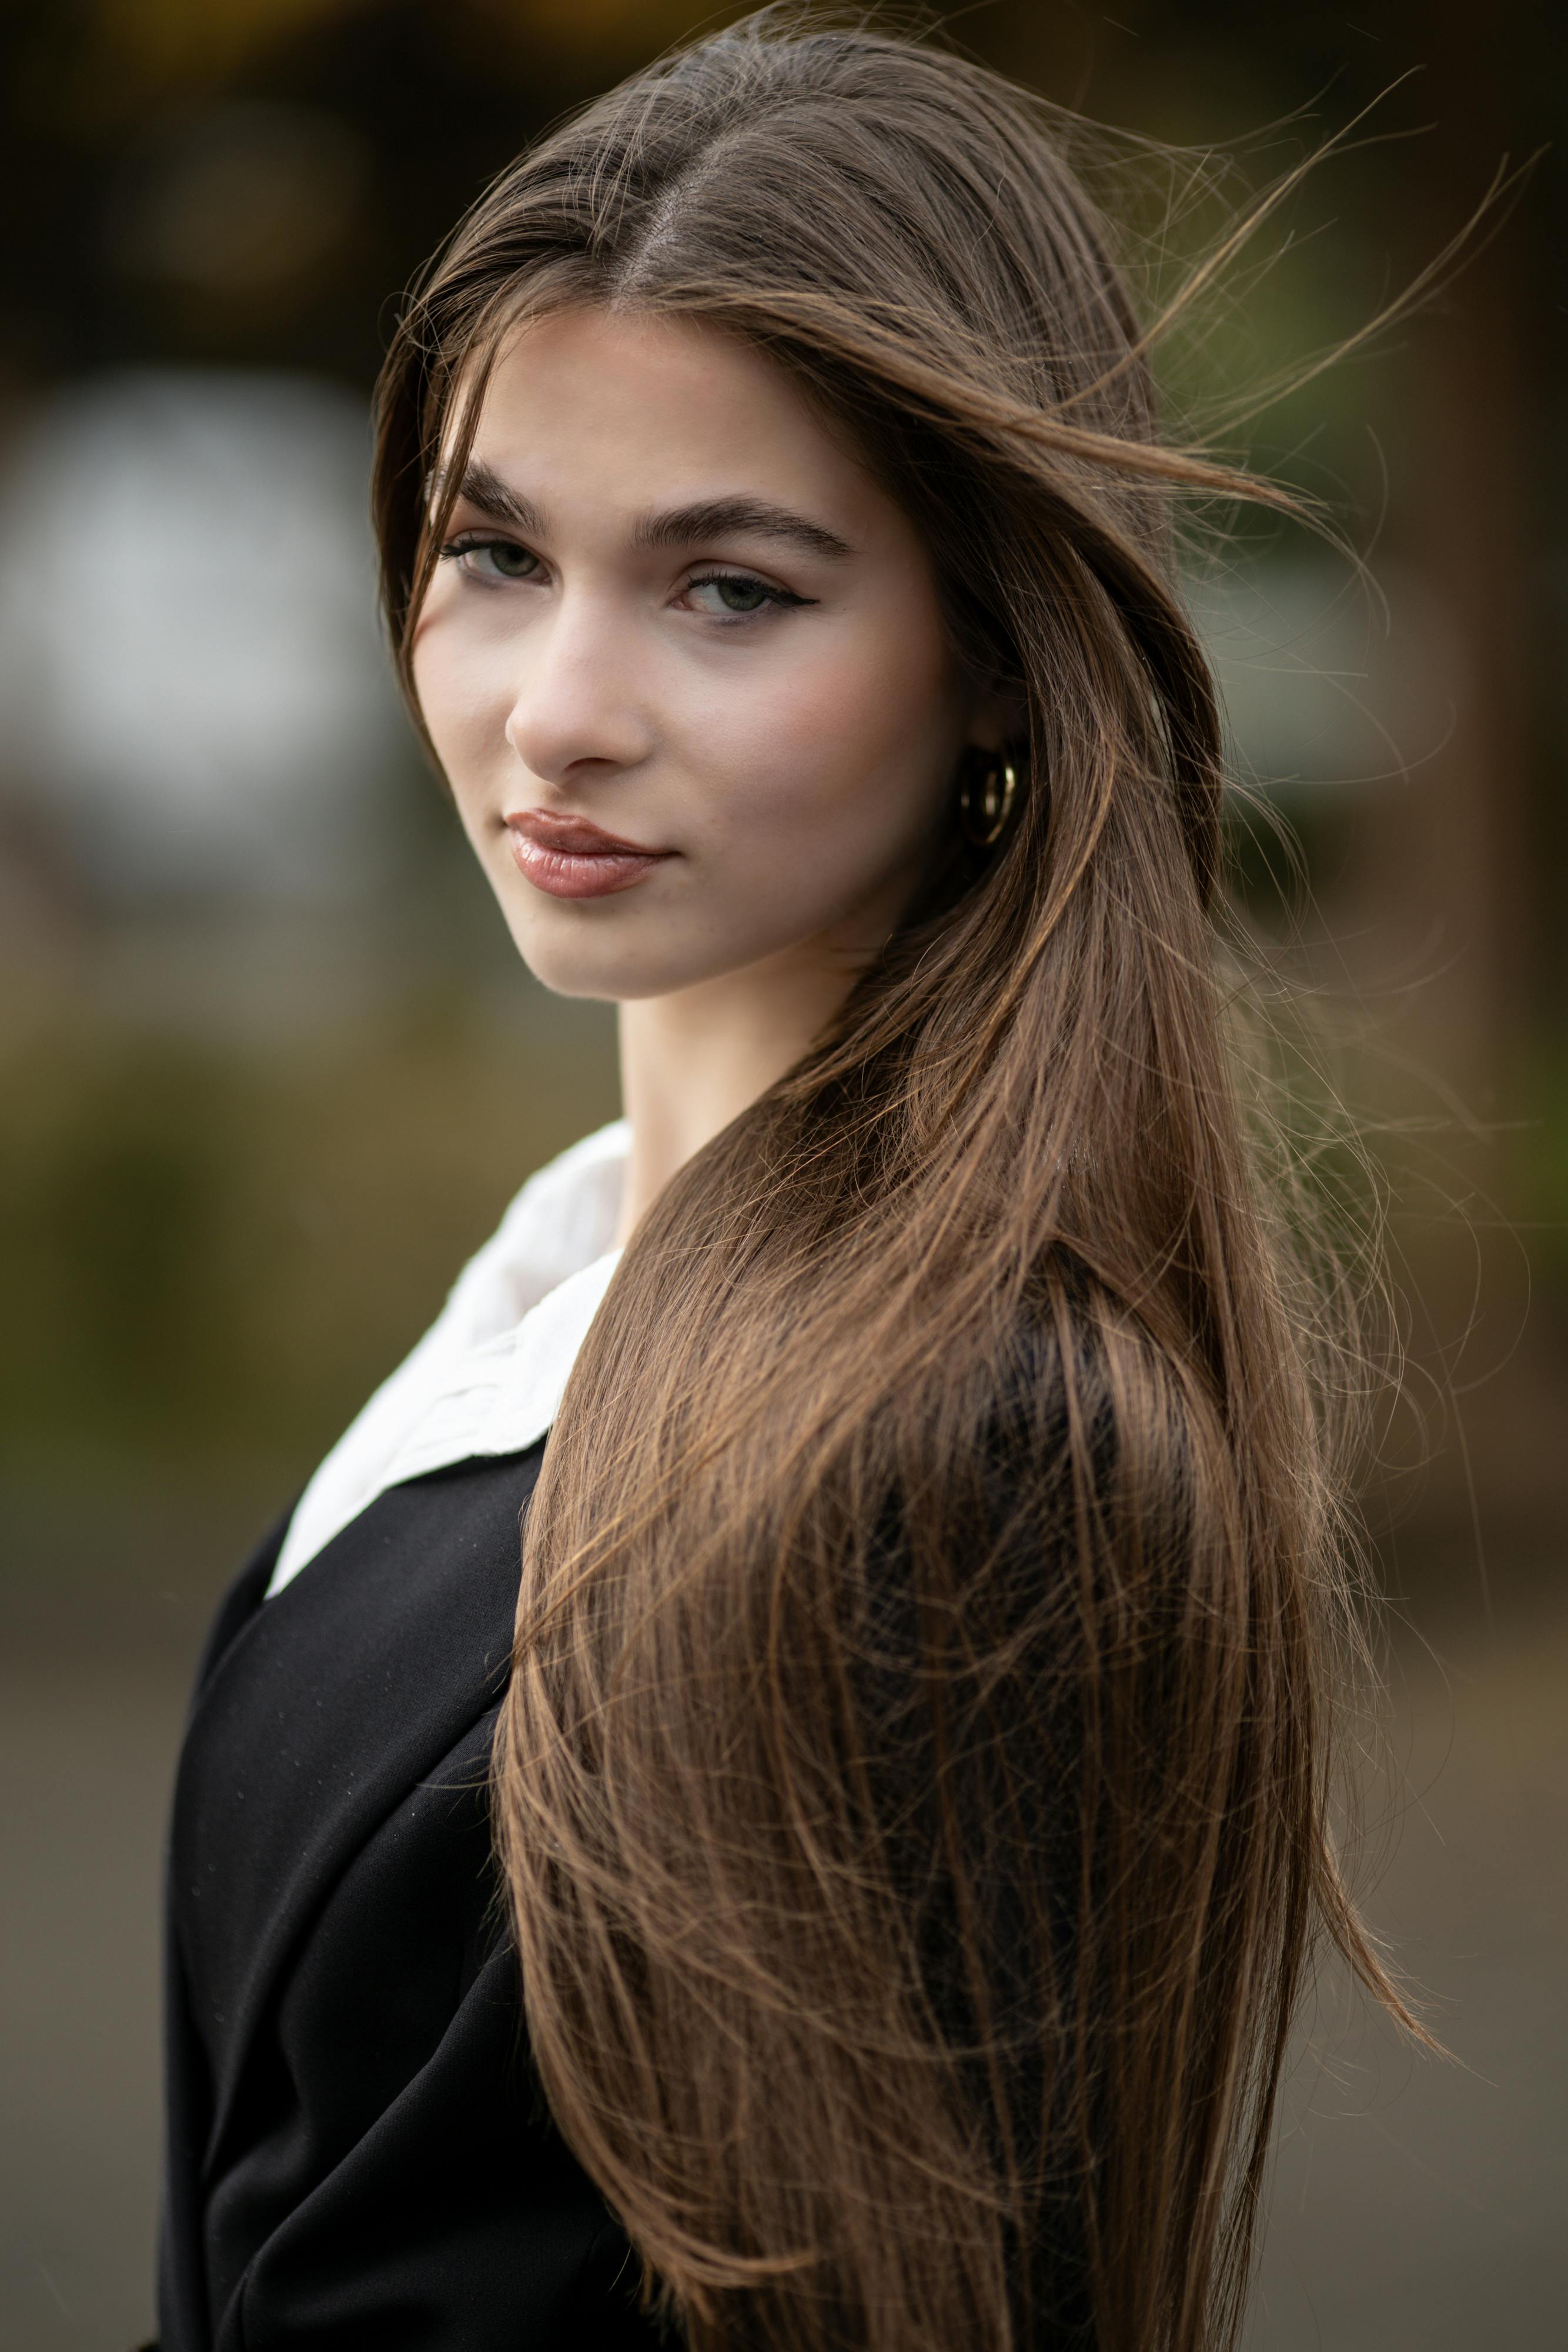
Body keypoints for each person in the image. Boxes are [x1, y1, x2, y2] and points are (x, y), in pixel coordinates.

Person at [154, 12, 1417, 2350]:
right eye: (494, 551)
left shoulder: (949, 1467)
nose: (560, 710)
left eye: (729, 587)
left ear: (997, 660)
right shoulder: (570, 1281)